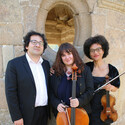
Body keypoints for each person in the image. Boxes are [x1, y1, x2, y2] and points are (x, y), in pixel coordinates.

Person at [5, 31, 50, 125]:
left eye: (40, 43)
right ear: (26, 46)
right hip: (25, 115)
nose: (37, 45)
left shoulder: (46, 64)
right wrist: (16, 117)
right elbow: (11, 92)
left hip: (44, 113)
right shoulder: (14, 64)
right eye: (34, 42)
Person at [50, 42, 94, 119]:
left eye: (69, 54)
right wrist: (57, 104)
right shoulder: (55, 72)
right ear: (60, 58)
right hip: (62, 115)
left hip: (81, 113)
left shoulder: (85, 70)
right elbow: (50, 92)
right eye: (63, 55)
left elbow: (90, 91)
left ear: (74, 54)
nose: (67, 57)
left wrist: (79, 101)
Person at [83, 35, 120, 125]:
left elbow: (116, 87)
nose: (95, 52)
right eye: (92, 50)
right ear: (89, 53)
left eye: (98, 49)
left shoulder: (112, 69)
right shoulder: (86, 67)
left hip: (104, 108)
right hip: (88, 106)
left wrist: (111, 87)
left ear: (103, 50)